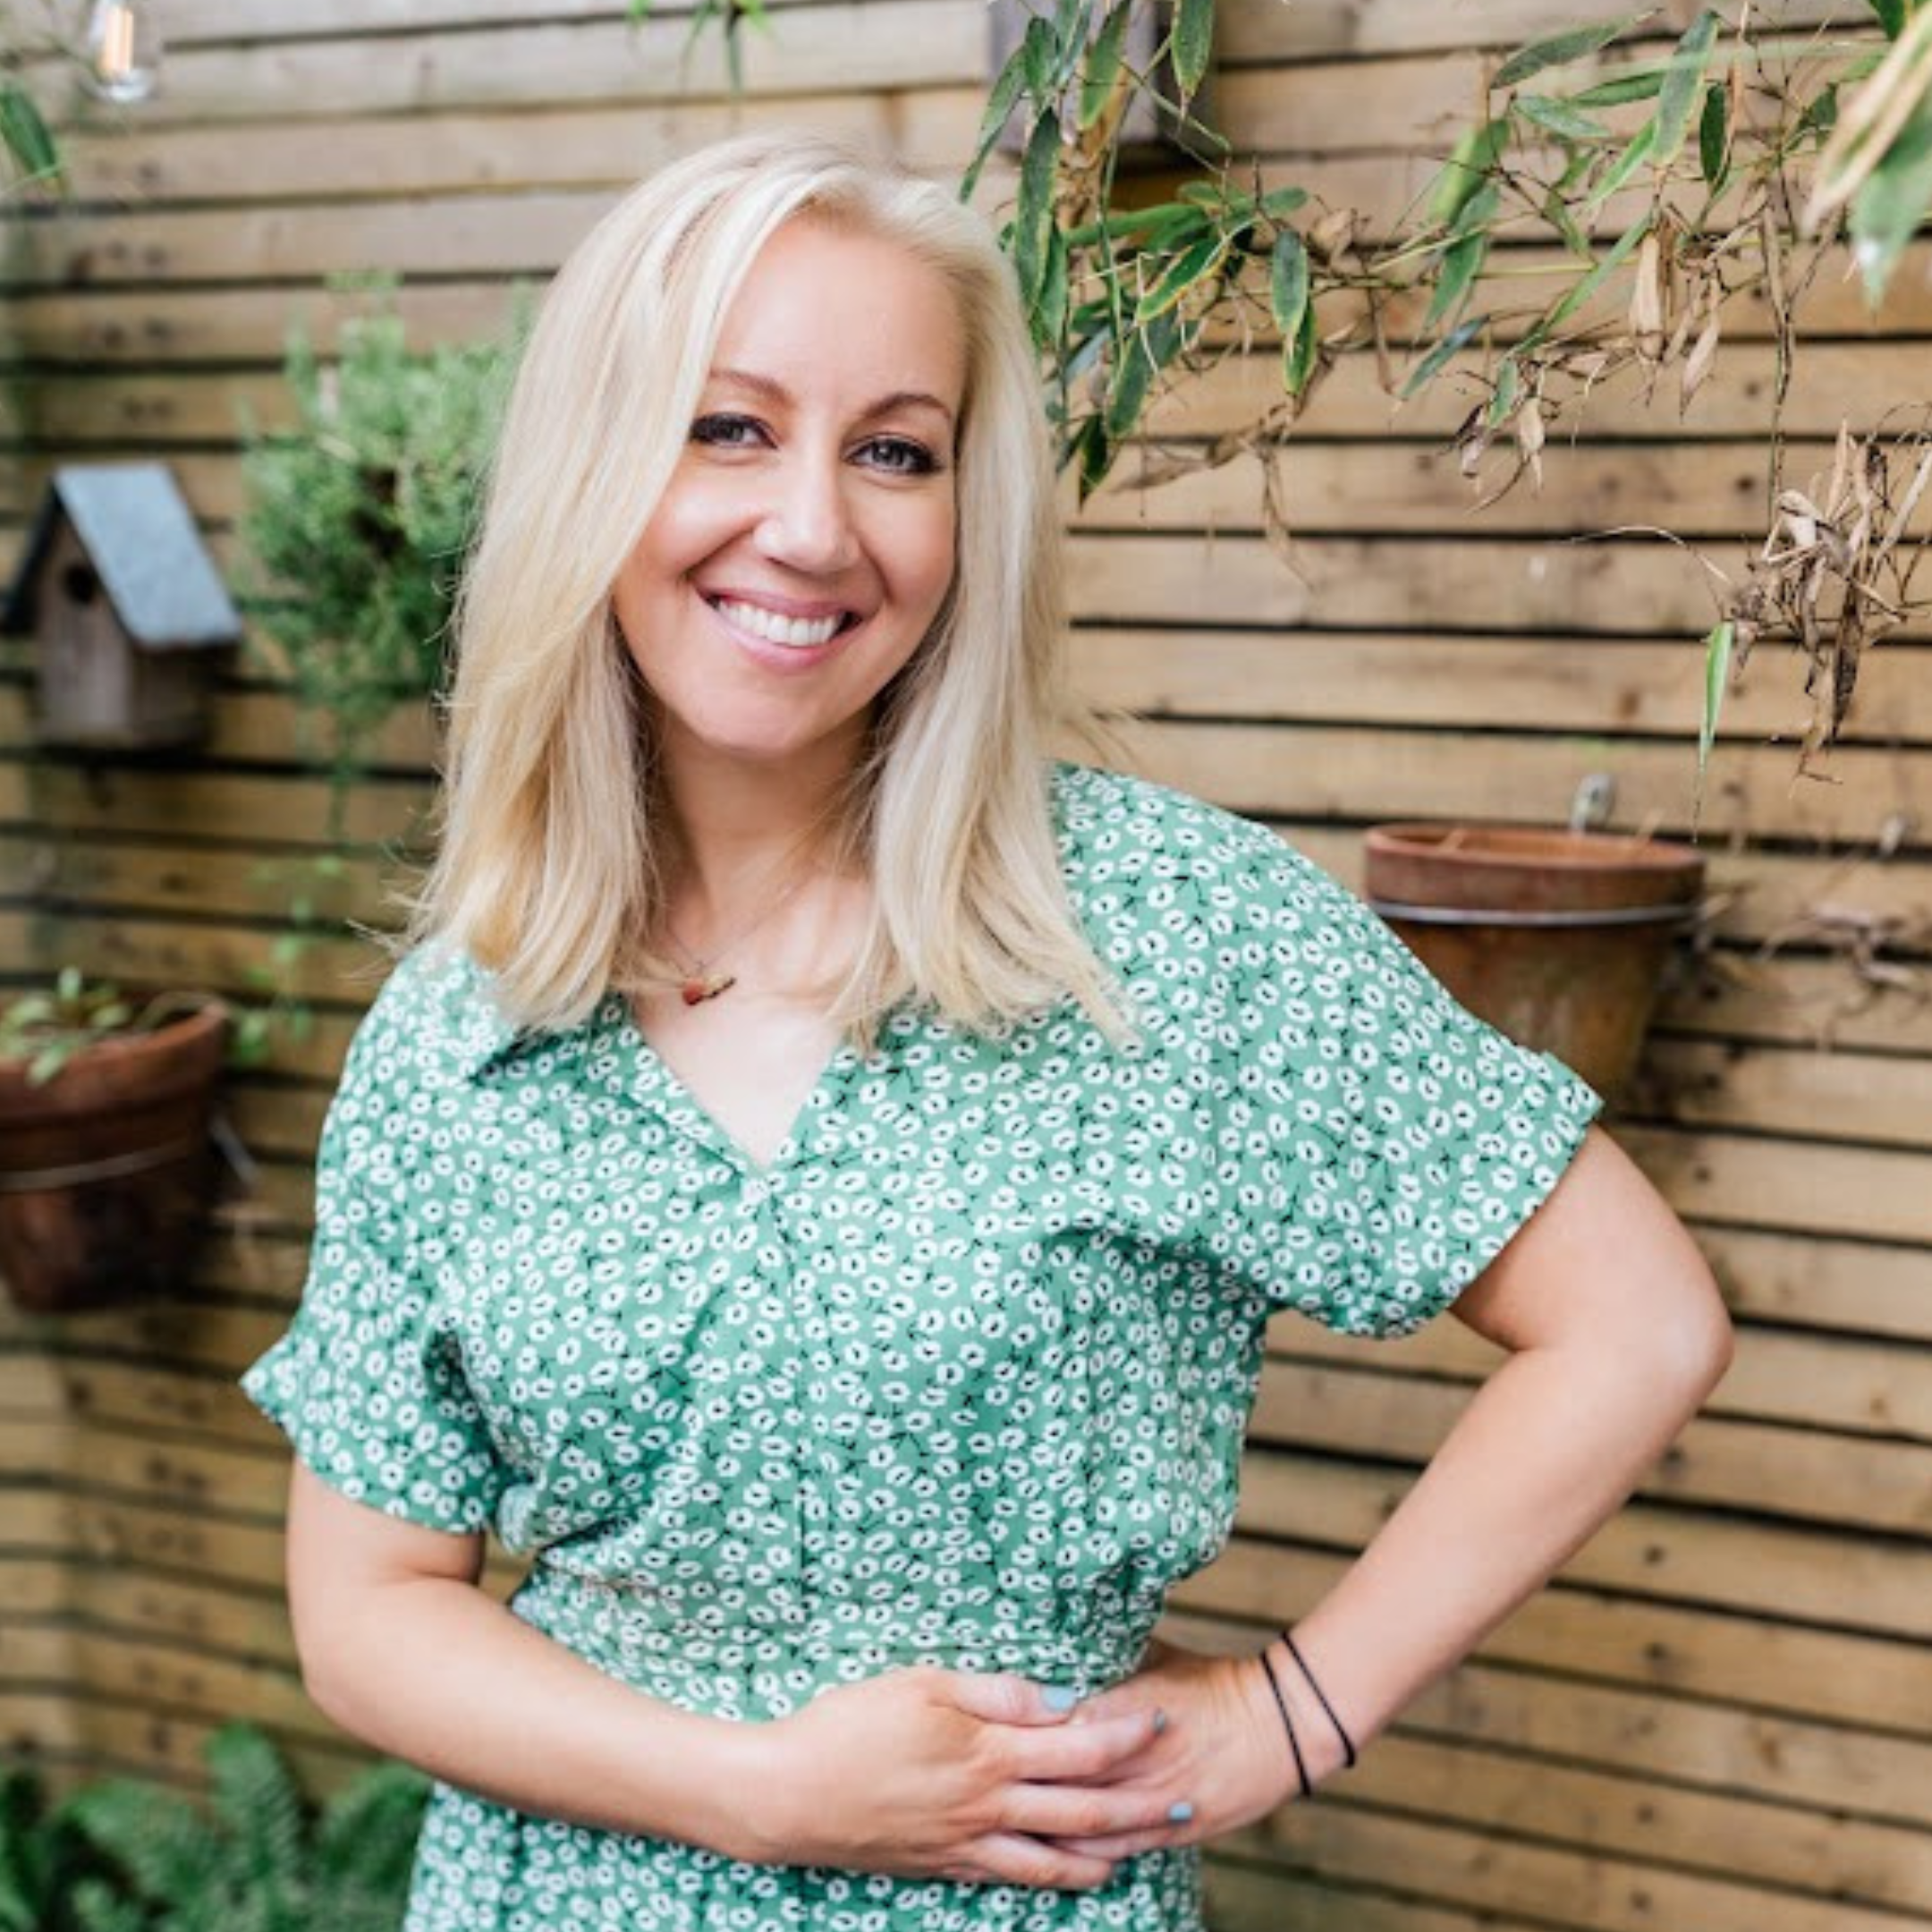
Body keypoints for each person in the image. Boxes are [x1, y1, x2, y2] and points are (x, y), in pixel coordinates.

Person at [242, 131, 1733, 1932]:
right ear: (589, 471)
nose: (812, 524)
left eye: (893, 451)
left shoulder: (1162, 934)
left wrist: (1292, 1713)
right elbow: (370, 1611)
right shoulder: (462, 1025)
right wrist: (764, 1795)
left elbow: (1634, 1321)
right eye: (729, 427)